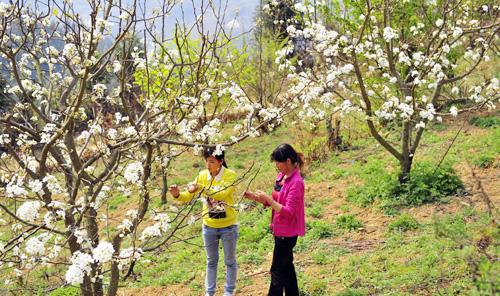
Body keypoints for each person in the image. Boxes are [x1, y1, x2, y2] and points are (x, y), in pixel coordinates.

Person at [169, 146, 238, 296]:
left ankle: (228, 291)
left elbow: (222, 194)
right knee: (211, 261)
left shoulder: (230, 175)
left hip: (228, 226)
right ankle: (210, 292)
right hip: (209, 226)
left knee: (230, 261)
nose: (208, 165)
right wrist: (177, 195)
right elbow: (188, 195)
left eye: (212, 161)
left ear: (221, 161)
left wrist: (200, 187)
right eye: (206, 161)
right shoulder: (202, 175)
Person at [244, 143, 305, 296]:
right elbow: (275, 200)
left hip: (287, 233)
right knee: (287, 268)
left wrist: (270, 201)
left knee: (277, 271)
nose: (276, 165)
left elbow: (289, 212)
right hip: (279, 230)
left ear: (288, 161)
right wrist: (255, 197)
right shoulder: (281, 177)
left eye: (279, 162)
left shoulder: (296, 183)